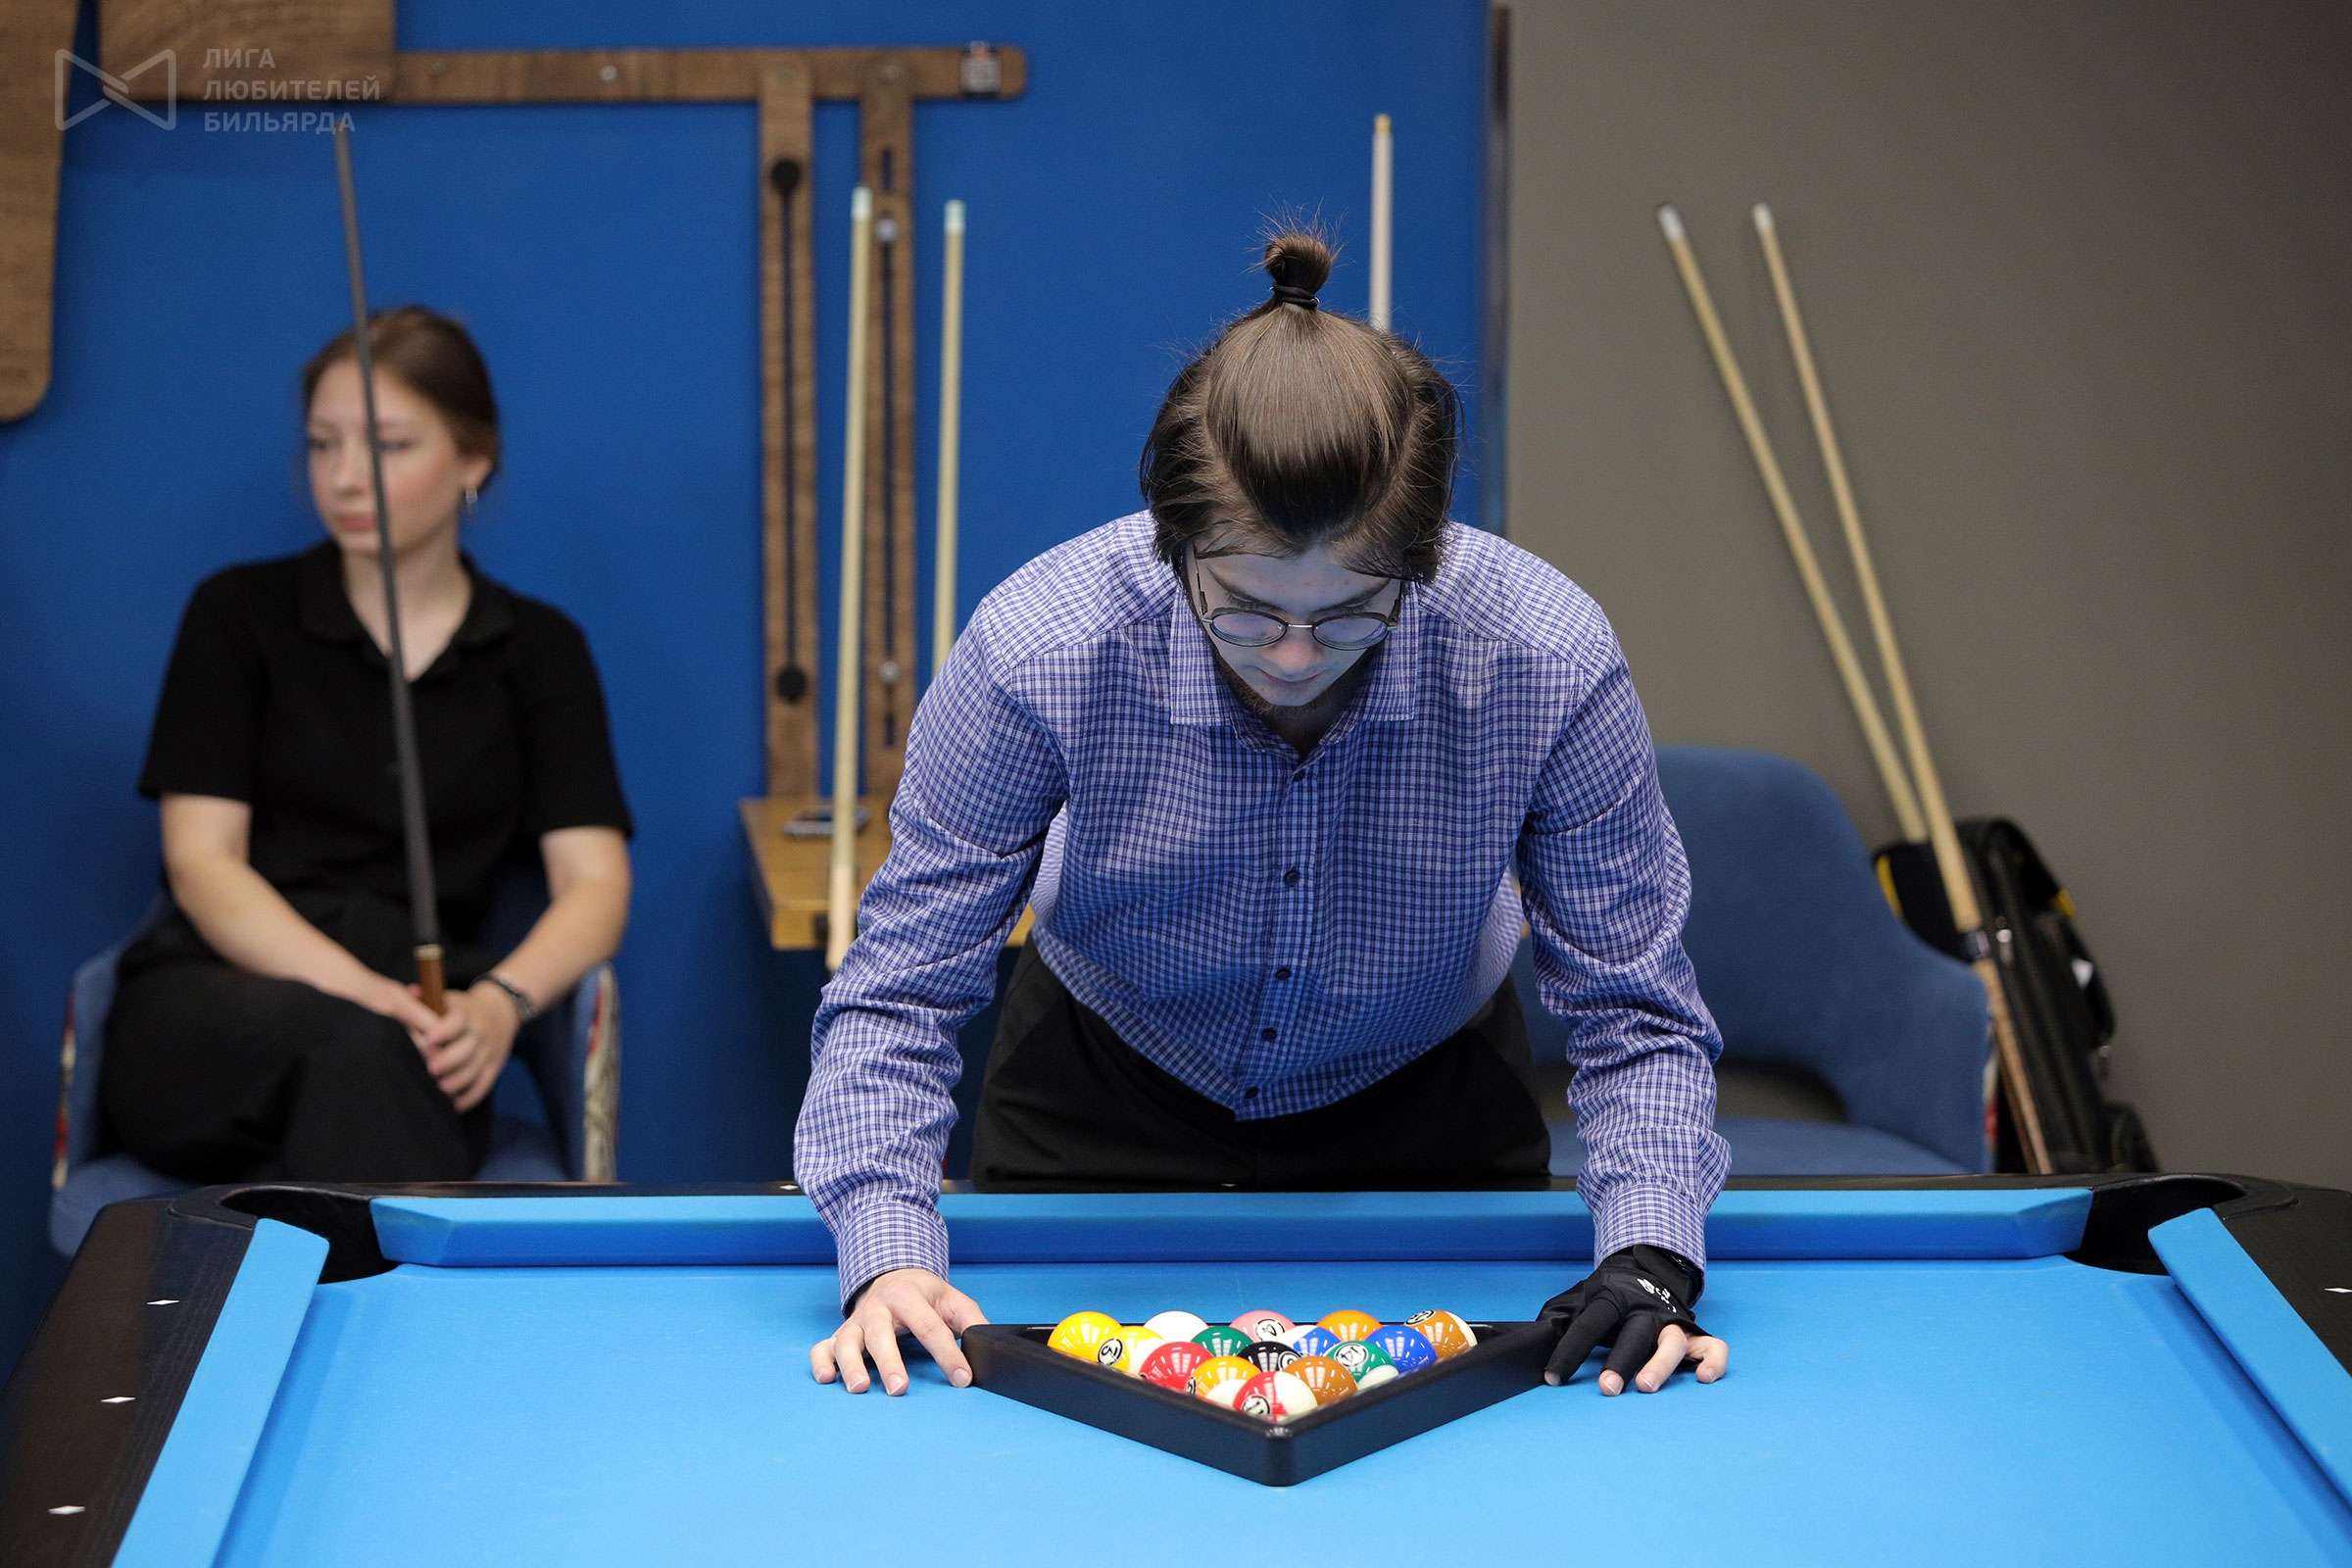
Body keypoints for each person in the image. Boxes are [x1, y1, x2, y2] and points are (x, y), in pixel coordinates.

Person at [798, 234, 1730, 1401]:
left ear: (1421, 560)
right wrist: (885, 1250)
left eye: (1348, 615)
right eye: (1244, 611)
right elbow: (898, 989)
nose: (1293, 657)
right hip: (1101, 1086)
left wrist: (1650, 1252)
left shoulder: (1545, 655)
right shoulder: (1040, 645)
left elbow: (1636, 1007)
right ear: (1174, 543)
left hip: (1428, 1100)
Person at [102, 306, 633, 1184]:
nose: (345, 478)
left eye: (388, 446)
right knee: (367, 1051)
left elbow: (596, 884)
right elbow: (202, 864)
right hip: (218, 1005)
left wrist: (500, 1006)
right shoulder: (236, 614)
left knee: (383, 1062)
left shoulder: (541, 651)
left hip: (424, 1022)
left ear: (474, 458)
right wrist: (369, 996)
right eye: (323, 445)